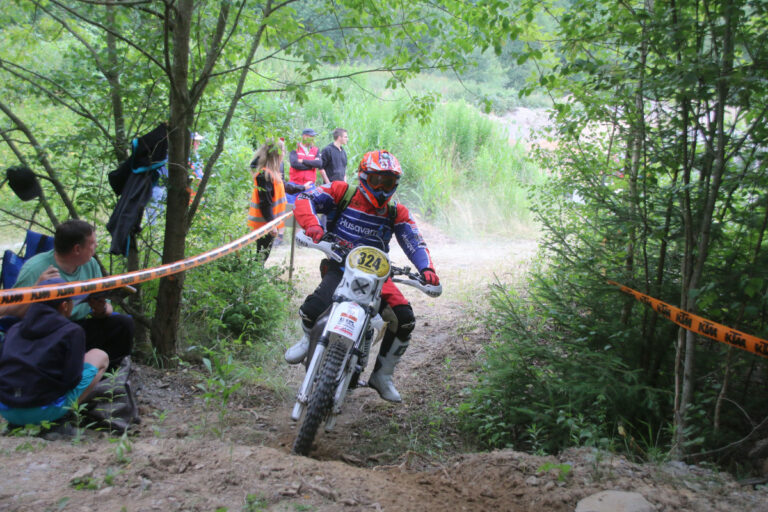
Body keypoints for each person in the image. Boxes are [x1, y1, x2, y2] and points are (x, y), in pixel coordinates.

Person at [284, 150, 440, 403]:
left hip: (378, 276)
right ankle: (306, 340)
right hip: (341, 265)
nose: (381, 188)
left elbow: (413, 239)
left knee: (405, 319)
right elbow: (305, 198)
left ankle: (382, 375)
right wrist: (312, 226)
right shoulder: (341, 192)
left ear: (395, 185)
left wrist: (427, 269)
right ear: (364, 177)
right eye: (377, 180)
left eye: (388, 182)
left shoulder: (395, 212)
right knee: (313, 308)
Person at [0, 220, 134, 369]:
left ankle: (107, 375)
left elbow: (108, 309)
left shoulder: (90, 264)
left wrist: (100, 308)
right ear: (77, 249)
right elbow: (12, 311)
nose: (95, 246)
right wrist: (37, 290)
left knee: (123, 324)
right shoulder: (35, 267)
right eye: (92, 243)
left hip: (78, 325)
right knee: (70, 336)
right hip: (47, 331)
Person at [0, 278, 108, 427]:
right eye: (71, 301)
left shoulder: (14, 329)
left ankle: (19, 421)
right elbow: (72, 380)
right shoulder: (72, 331)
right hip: (42, 412)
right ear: (64, 305)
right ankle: (59, 418)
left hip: (6, 408)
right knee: (99, 355)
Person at [247, 138, 288, 262]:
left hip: (268, 221)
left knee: (262, 256)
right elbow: (265, 203)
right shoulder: (264, 175)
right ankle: (253, 279)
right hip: (265, 223)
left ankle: (254, 278)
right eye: (283, 151)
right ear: (277, 154)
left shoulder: (272, 172)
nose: (285, 154)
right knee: (261, 257)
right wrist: (272, 225)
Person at [287, 128, 328, 203]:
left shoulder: (315, 149)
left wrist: (303, 161)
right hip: (294, 184)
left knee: (307, 209)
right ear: (304, 136)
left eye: (313, 137)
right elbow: (294, 164)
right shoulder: (295, 147)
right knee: (290, 209)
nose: (313, 139)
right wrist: (311, 166)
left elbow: (319, 164)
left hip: (309, 185)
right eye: (311, 136)